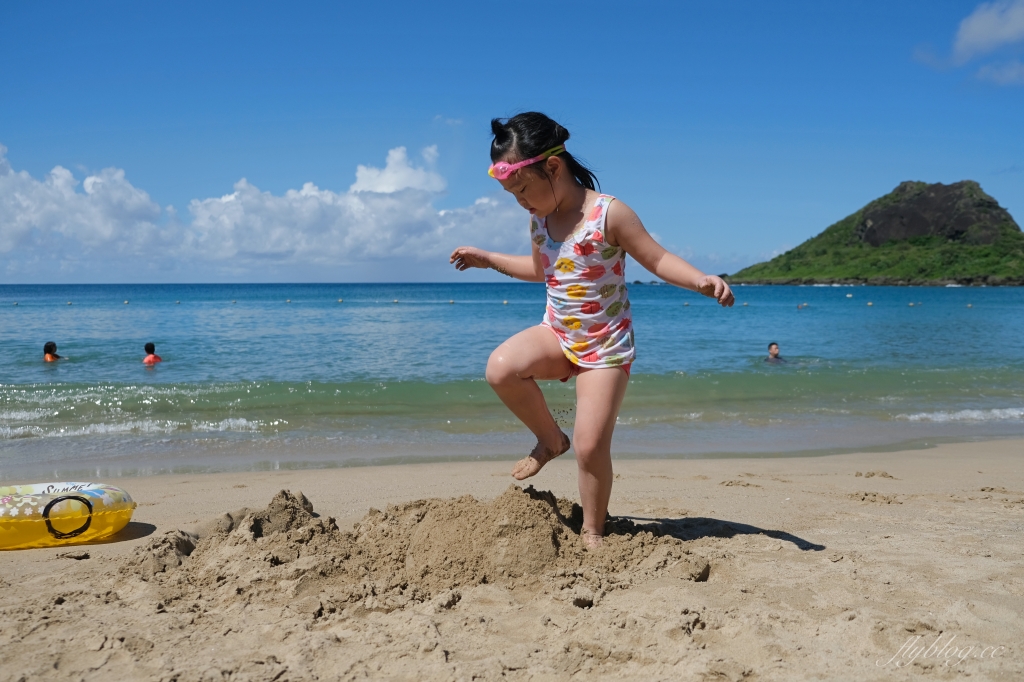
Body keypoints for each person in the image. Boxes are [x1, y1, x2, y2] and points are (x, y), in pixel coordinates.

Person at [450, 113, 734, 548]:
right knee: (501, 368)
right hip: (558, 334)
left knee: (590, 446)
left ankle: (593, 531)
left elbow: (656, 259)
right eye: (512, 195)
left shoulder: (609, 213)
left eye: (522, 189)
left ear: (553, 167)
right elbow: (541, 269)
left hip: (605, 349)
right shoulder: (540, 220)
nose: (520, 202)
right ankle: (549, 439)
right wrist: (489, 259)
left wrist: (699, 280)